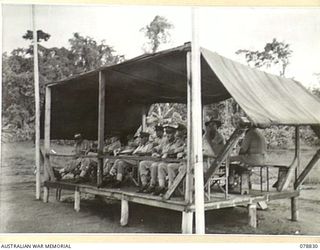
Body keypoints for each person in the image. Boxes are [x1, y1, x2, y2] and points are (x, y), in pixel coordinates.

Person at [156, 124, 187, 195]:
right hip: (170, 161)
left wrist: (168, 152)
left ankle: (171, 187)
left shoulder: (179, 141)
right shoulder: (166, 142)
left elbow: (175, 151)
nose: (167, 134)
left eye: (169, 132)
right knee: (161, 166)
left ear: (174, 133)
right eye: (166, 132)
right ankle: (162, 187)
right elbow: (163, 150)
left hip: (178, 162)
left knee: (170, 166)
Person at [137, 124, 167, 193]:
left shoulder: (165, 139)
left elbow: (165, 150)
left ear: (162, 132)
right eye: (156, 131)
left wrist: (160, 153)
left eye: (158, 131)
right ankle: (144, 184)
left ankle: (152, 185)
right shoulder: (157, 139)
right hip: (156, 159)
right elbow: (155, 148)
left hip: (163, 160)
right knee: (142, 163)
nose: (156, 133)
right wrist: (154, 151)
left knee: (154, 165)